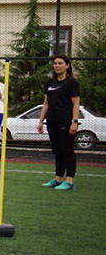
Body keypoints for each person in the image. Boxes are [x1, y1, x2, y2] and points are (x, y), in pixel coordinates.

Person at [38, 55, 81, 191]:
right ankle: (58, 179)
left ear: (67, 65)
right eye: (55, 63)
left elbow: (76, 104)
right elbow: (46, 103)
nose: (57, 66)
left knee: (67, 150)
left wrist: (74, 122)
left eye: (60, 63)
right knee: (57, 150)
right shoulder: (50, 82)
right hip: (52, 121)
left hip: (65, 121)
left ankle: (69, 181)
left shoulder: (72, 82)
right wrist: (41, 121)